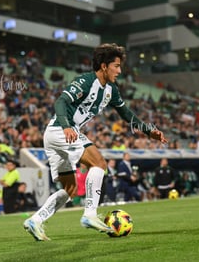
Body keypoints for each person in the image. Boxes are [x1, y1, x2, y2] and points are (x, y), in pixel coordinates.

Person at [23, 43, 167, 241]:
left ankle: (36, 220)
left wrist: (148, 131)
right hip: (60, 130)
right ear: (104, 66)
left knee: (70, 189)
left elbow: (126, 114)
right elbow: (60, 102)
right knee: (99, 163)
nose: (119, 70)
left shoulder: (111, 90)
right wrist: (66, 126)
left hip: (59, 134)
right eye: (116, 65)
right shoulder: (86, 80)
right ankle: (89, 214)